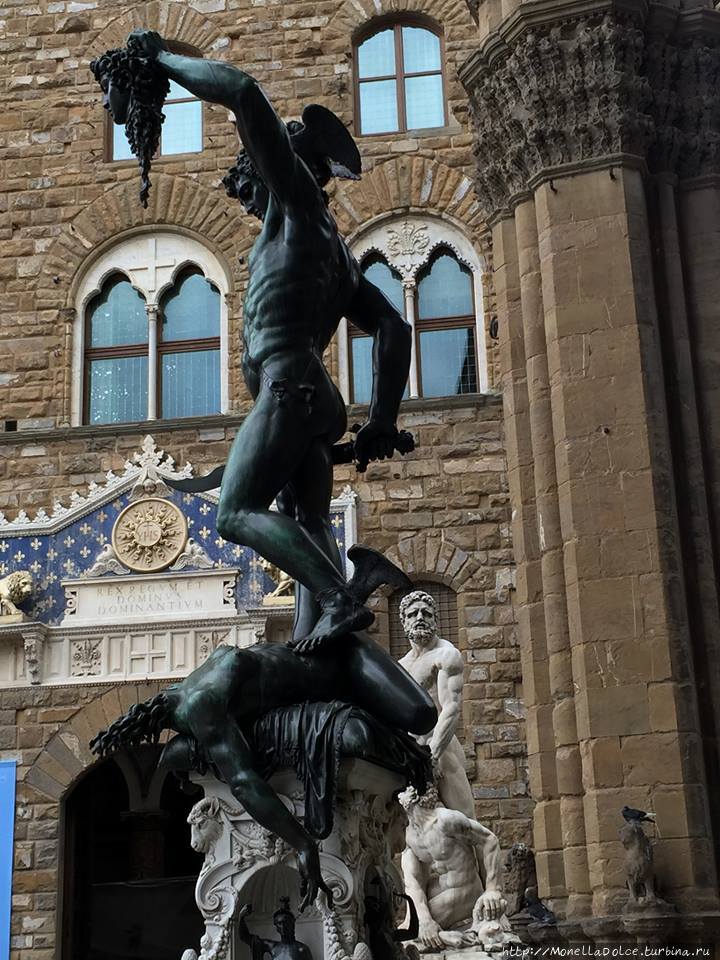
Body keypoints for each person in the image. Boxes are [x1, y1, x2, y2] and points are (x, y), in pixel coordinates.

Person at [93, 29, 413, 651]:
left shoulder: (295, 206)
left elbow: (241, 91)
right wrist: (379, 419)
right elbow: (394, 328)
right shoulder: (341, 258)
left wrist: (158, 57)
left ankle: (340, 598)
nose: (246, 188)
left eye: (253, 172)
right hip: (316, 398)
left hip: (288, 385)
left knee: (235, 513)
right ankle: (315, 639)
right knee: (308, 519)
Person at [91, 637, 436, 910]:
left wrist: (303, 845)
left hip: (342, 665)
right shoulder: (196, 680)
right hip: (321, 657)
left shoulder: (200, 707)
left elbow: (244, 783)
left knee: (422, 715)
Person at [398, 786, 506, 952]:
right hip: (443, 894)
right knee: (409, 926)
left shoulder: (446, 820)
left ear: (409, 798)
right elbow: (413, 882)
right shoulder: (409, 835)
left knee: (409, 933)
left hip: (466, 890)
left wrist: (493, 888)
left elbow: (489, 840)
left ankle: (442, 937)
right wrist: (425, 919)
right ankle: (448, 937)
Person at [398, 591, 476, 818]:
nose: (420, 617)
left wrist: (430, 757)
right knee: (412, 832)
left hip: (440, 748)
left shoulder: (445, 655)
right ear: (404, 621)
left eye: (426, 613)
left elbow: (450, 709)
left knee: (465, 820)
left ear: (435, 620)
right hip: (410, 754)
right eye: (413, 614)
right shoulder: (401, 666)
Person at [237, 900, 313, 960]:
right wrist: (241, 917)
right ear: (276, 927)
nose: (283, 926)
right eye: (279, 923)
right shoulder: (272, 946)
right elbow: (244, 936)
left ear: (292, 924)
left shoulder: (302, 949)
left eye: (286, 922)